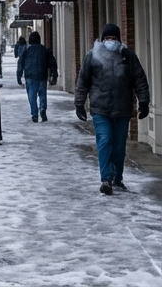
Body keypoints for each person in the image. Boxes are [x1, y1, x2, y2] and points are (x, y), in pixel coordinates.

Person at [75, 23, 150, 195]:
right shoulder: (92, 56)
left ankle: (117, 178)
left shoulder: (127, 56)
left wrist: (143, 102)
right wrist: (79, 103)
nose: (110, 41)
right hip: (100, 109)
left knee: (118, 147)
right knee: (105, 141)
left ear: (119, 40)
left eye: (113, 38)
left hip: (122, 109)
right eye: (107, 38)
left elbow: (139, 80)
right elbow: (83, 81)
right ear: (102, 40)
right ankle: (106, 179)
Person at [16, 31, 57, 122]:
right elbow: (52, 62)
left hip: (30, 76)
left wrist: (19, 76)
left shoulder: (26, 50)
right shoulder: (44, 49)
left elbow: (20, 63)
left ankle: (34, 114)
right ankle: (42, 109)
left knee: (32, 96)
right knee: (43, 95)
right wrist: (54, 75)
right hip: (42, 75)